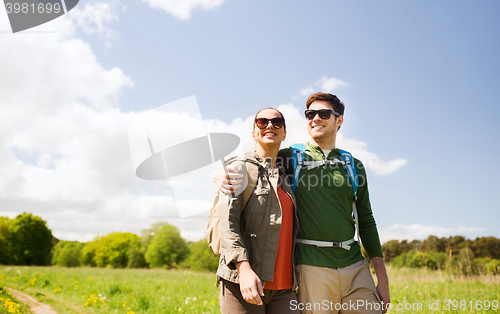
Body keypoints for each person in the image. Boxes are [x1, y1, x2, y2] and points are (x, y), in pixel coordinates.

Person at [215, 93, 390, 314]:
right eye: (310, 114)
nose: (315, 118)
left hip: (355, 266)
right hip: (311, 266)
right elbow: (257, 158)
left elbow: (366, 221)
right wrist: (220, 173)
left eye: (324, 114)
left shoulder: (354, 166)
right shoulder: (290, 158)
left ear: (339, 120)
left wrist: (382, 278)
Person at [216, 107, 299, 314]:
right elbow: (227, 224)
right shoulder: (239, 168)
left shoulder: (288, 174)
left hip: (285, 288)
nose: (270, 125)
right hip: (243, 282)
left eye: (277, 122)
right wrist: (243, 269)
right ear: (254, 133)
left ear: (284, 133)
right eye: (262, 122)